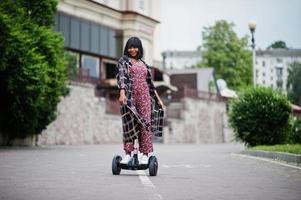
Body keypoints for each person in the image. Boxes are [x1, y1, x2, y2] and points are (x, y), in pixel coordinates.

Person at [116, 36, 164, 165]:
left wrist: (158, 100)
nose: (132, 49)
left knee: (145, 125)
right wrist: (122, 93)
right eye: (130, 47)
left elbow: (150, 85)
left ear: (139, 48)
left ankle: (145, 155)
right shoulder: (123, 61)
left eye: (135, 47)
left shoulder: (144, 65)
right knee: (129, 125)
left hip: (144, 98)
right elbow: (122, 78)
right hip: (129, 97)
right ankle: (128, 154)